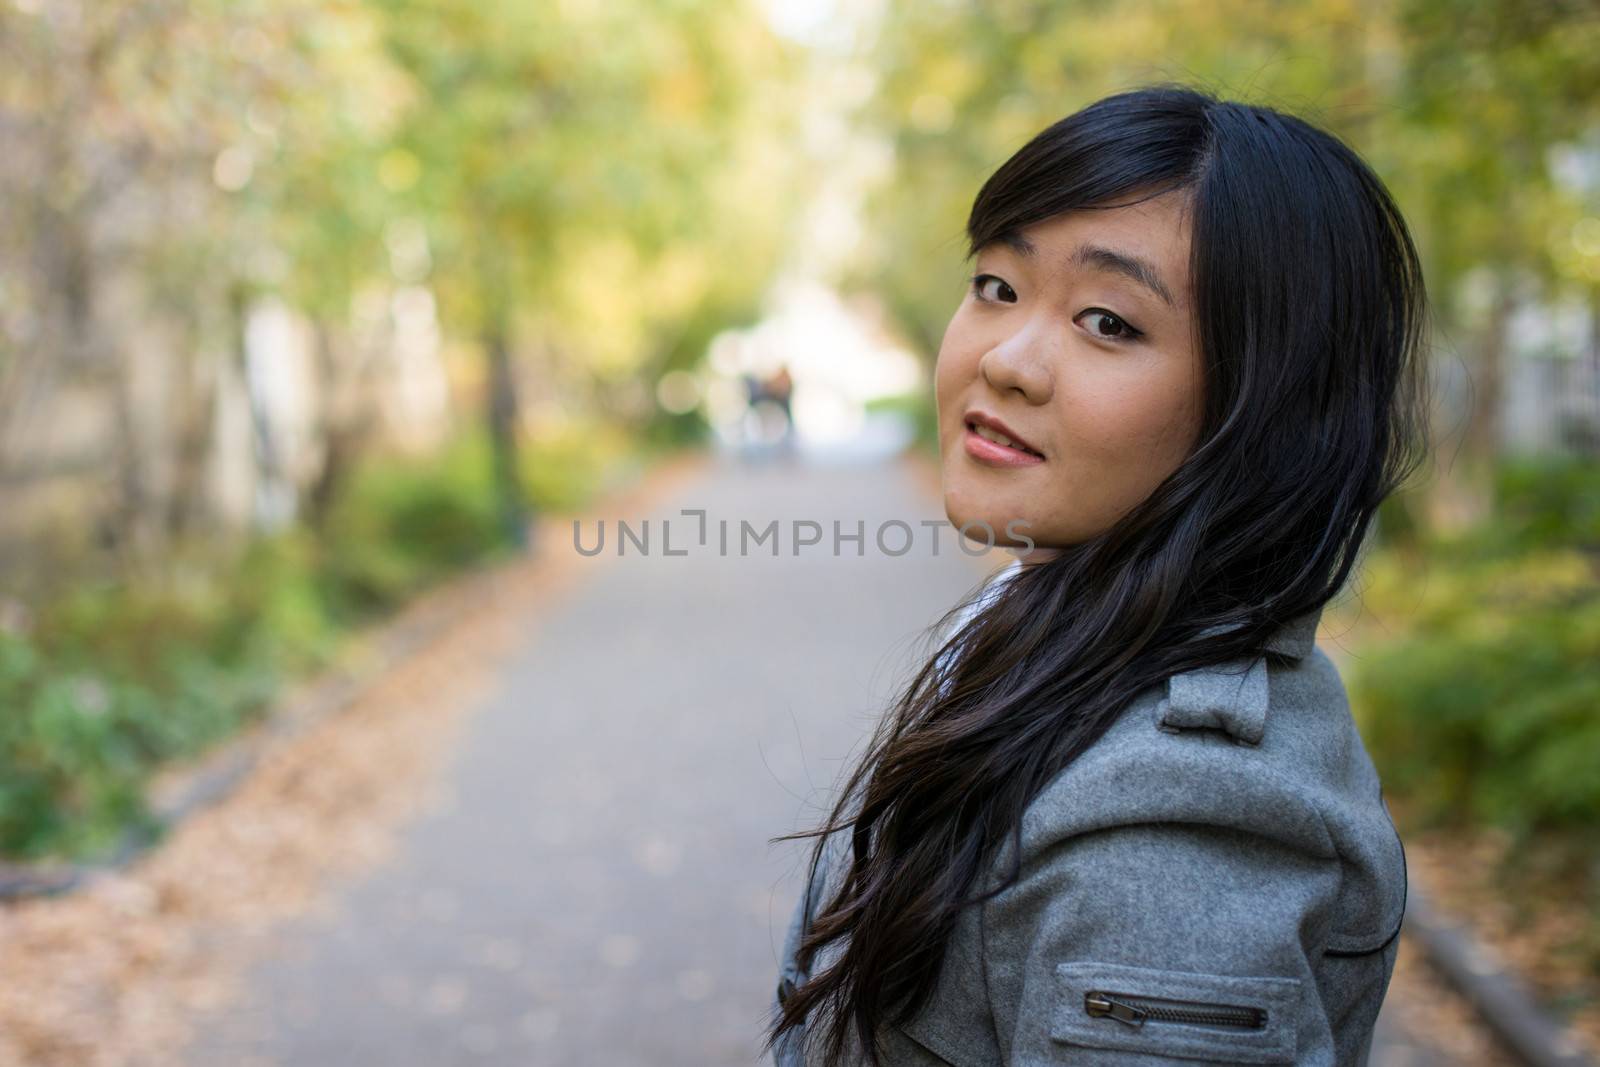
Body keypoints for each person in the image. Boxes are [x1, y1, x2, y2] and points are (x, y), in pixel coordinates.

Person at [765, 82, 1429, 1067]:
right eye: (996, 285)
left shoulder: (1174, 823)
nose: (1009, 360)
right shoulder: (1055, 620)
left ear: (1266, 405)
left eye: (1108, 322)